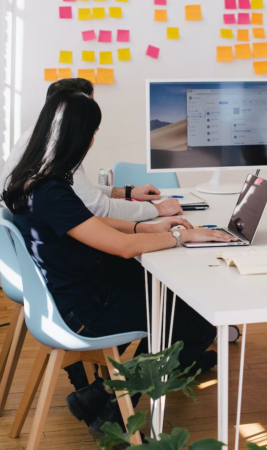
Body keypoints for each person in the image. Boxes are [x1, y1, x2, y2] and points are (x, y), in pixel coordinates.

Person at [2, 90, 239, 437]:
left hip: (70, 294)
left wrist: (150, 226)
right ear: (81, 135)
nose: (94, 140)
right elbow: (124, 247)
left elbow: (93, 225)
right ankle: (111, 407)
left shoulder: (33, 180)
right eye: (93, 132)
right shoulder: (52, 190)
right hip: (83, 311)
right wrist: (179, 237)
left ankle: (101, 395)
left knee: (172, 301)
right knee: (194, 319)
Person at [0, 78, 182, 221]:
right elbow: (99, 208)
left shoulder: (37, 137)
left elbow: (77, 191)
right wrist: (158, 209)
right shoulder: (56, 149)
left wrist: (128, 193)